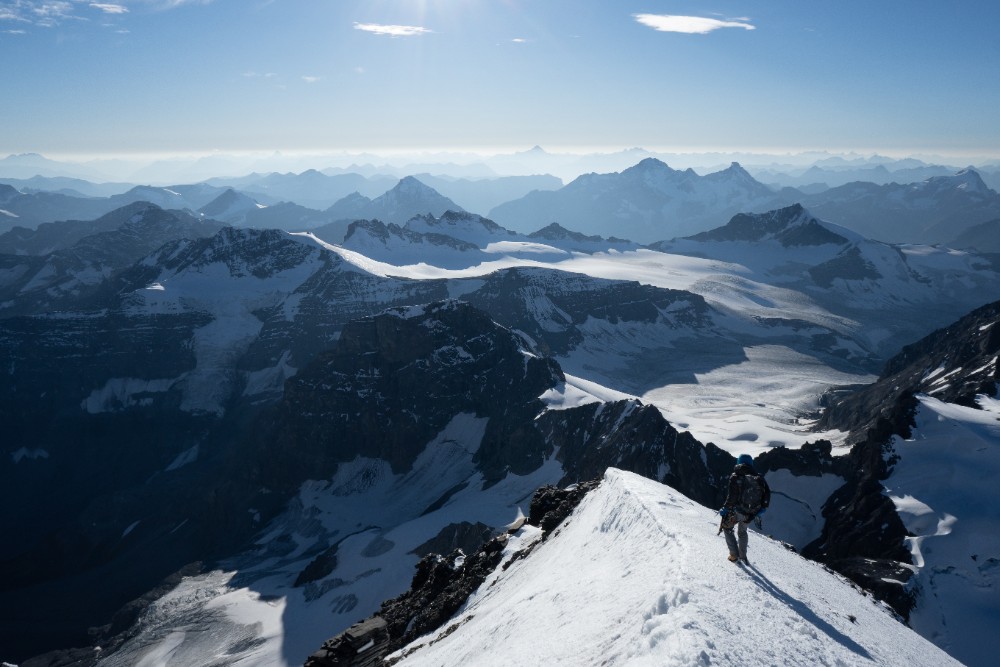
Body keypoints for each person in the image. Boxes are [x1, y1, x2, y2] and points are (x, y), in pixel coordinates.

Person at [719, 453, 771, 564]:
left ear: (739, 462)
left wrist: (725, 508)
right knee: (742, 532)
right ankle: (743, 557)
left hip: (738, 511)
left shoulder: (736, 476)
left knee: (727, 528)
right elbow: (766, 495)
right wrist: (761, 510)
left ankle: (734, 555)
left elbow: (732, 497)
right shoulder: (758, 477)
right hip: (752, 513)